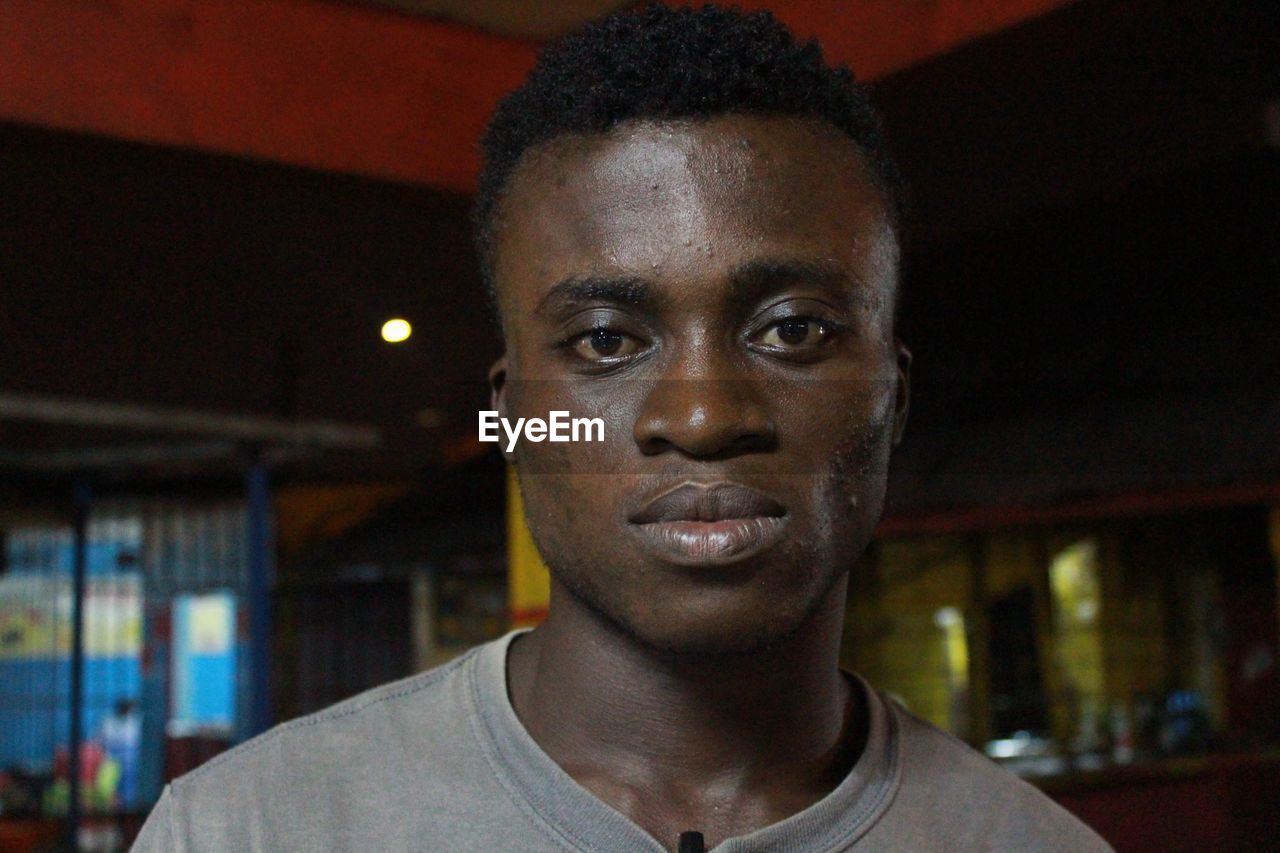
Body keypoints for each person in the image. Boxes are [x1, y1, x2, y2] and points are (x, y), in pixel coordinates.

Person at [134, 5, 1113, 850]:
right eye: (606, 340)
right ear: (514, 417)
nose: (700, 415)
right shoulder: (245, 829)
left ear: (890, 404)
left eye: (791, 329)